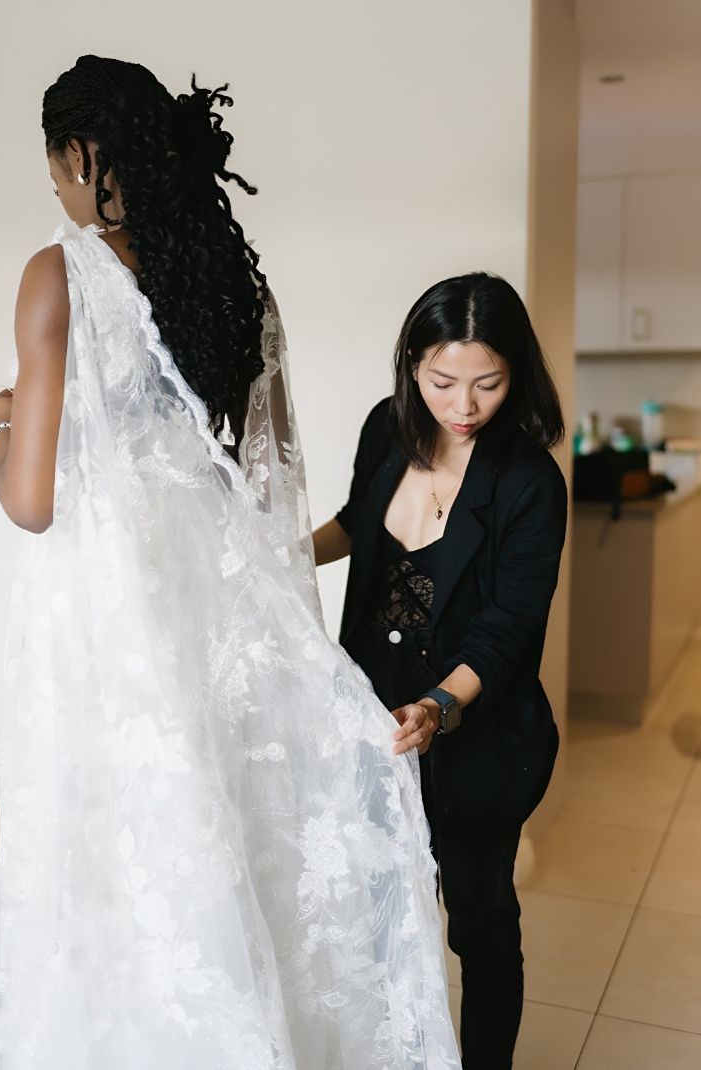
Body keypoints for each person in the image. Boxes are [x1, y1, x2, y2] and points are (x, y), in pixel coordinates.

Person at [0, 56, 460, 1070]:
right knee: (223, 842)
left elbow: (30, 502)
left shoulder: (57, 274)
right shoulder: (237, 284)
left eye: (53, 166)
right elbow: (263, 481)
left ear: (77, 158)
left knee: (117, 858)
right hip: (221, 622)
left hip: (110, 630)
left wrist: (2, 422)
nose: (52, 190)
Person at [313, 274, 567, 1070]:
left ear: (515, 372)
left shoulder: (528, 483)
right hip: (371, 718)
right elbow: (361, 523)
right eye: (442, 381)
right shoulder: (384, 433)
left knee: (478, 921)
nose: (463, 404)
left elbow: (507, 630)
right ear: (412, 365)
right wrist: (277, 555)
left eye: (487, 383)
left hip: (472, 730)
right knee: (385, 911)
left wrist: (436, 706)